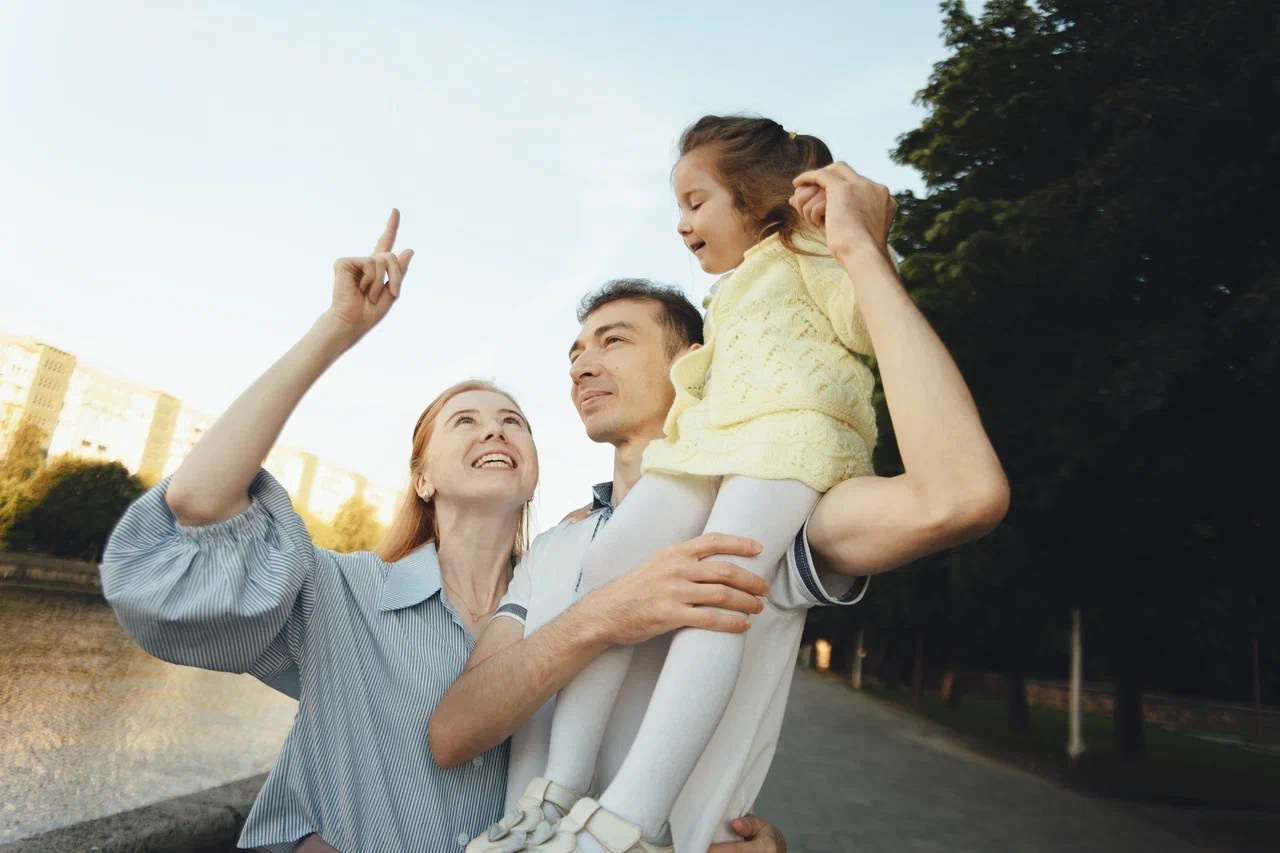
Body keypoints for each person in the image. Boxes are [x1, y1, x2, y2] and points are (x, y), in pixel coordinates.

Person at [99, 212, 781, 853]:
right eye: (465, 420)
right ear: (422, 476)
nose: (494, 428)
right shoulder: (343, 594)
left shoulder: (578, 574)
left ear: (534, 469)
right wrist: (335, 329)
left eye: (514, 420)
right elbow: (196, 506)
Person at [439, 120, 1009, 853]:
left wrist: (860, 247)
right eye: (574, 350)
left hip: (778, 451)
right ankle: (562, 792)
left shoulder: (793, 528)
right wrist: (606, 614)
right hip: (530, 835)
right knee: (617, 568)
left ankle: (626, 819)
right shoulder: (559, 545)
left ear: (699, 355)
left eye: (613, 340)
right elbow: (451, 733)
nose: (581, 363)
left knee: (717, 587)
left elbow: (961, 494)